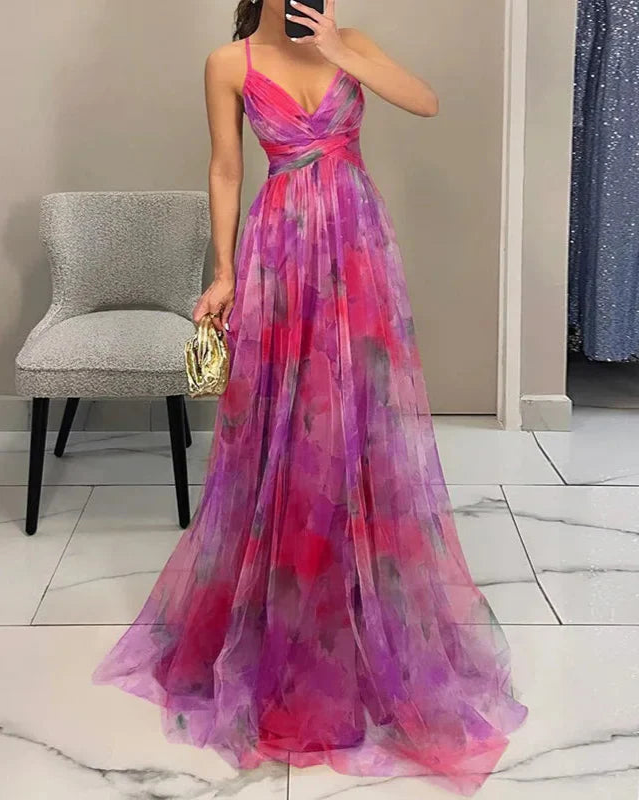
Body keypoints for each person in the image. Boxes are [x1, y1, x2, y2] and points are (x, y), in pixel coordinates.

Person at [93, 1, 528, 795]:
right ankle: (283, 613)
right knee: (282, 429)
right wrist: (223, 272)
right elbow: (226, 169)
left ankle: (359, 608)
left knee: (359, 422)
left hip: (356, 248)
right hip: (279, 252)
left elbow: (426, 101)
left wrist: (338, 48)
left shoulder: (348, 41)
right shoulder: (227, 64)